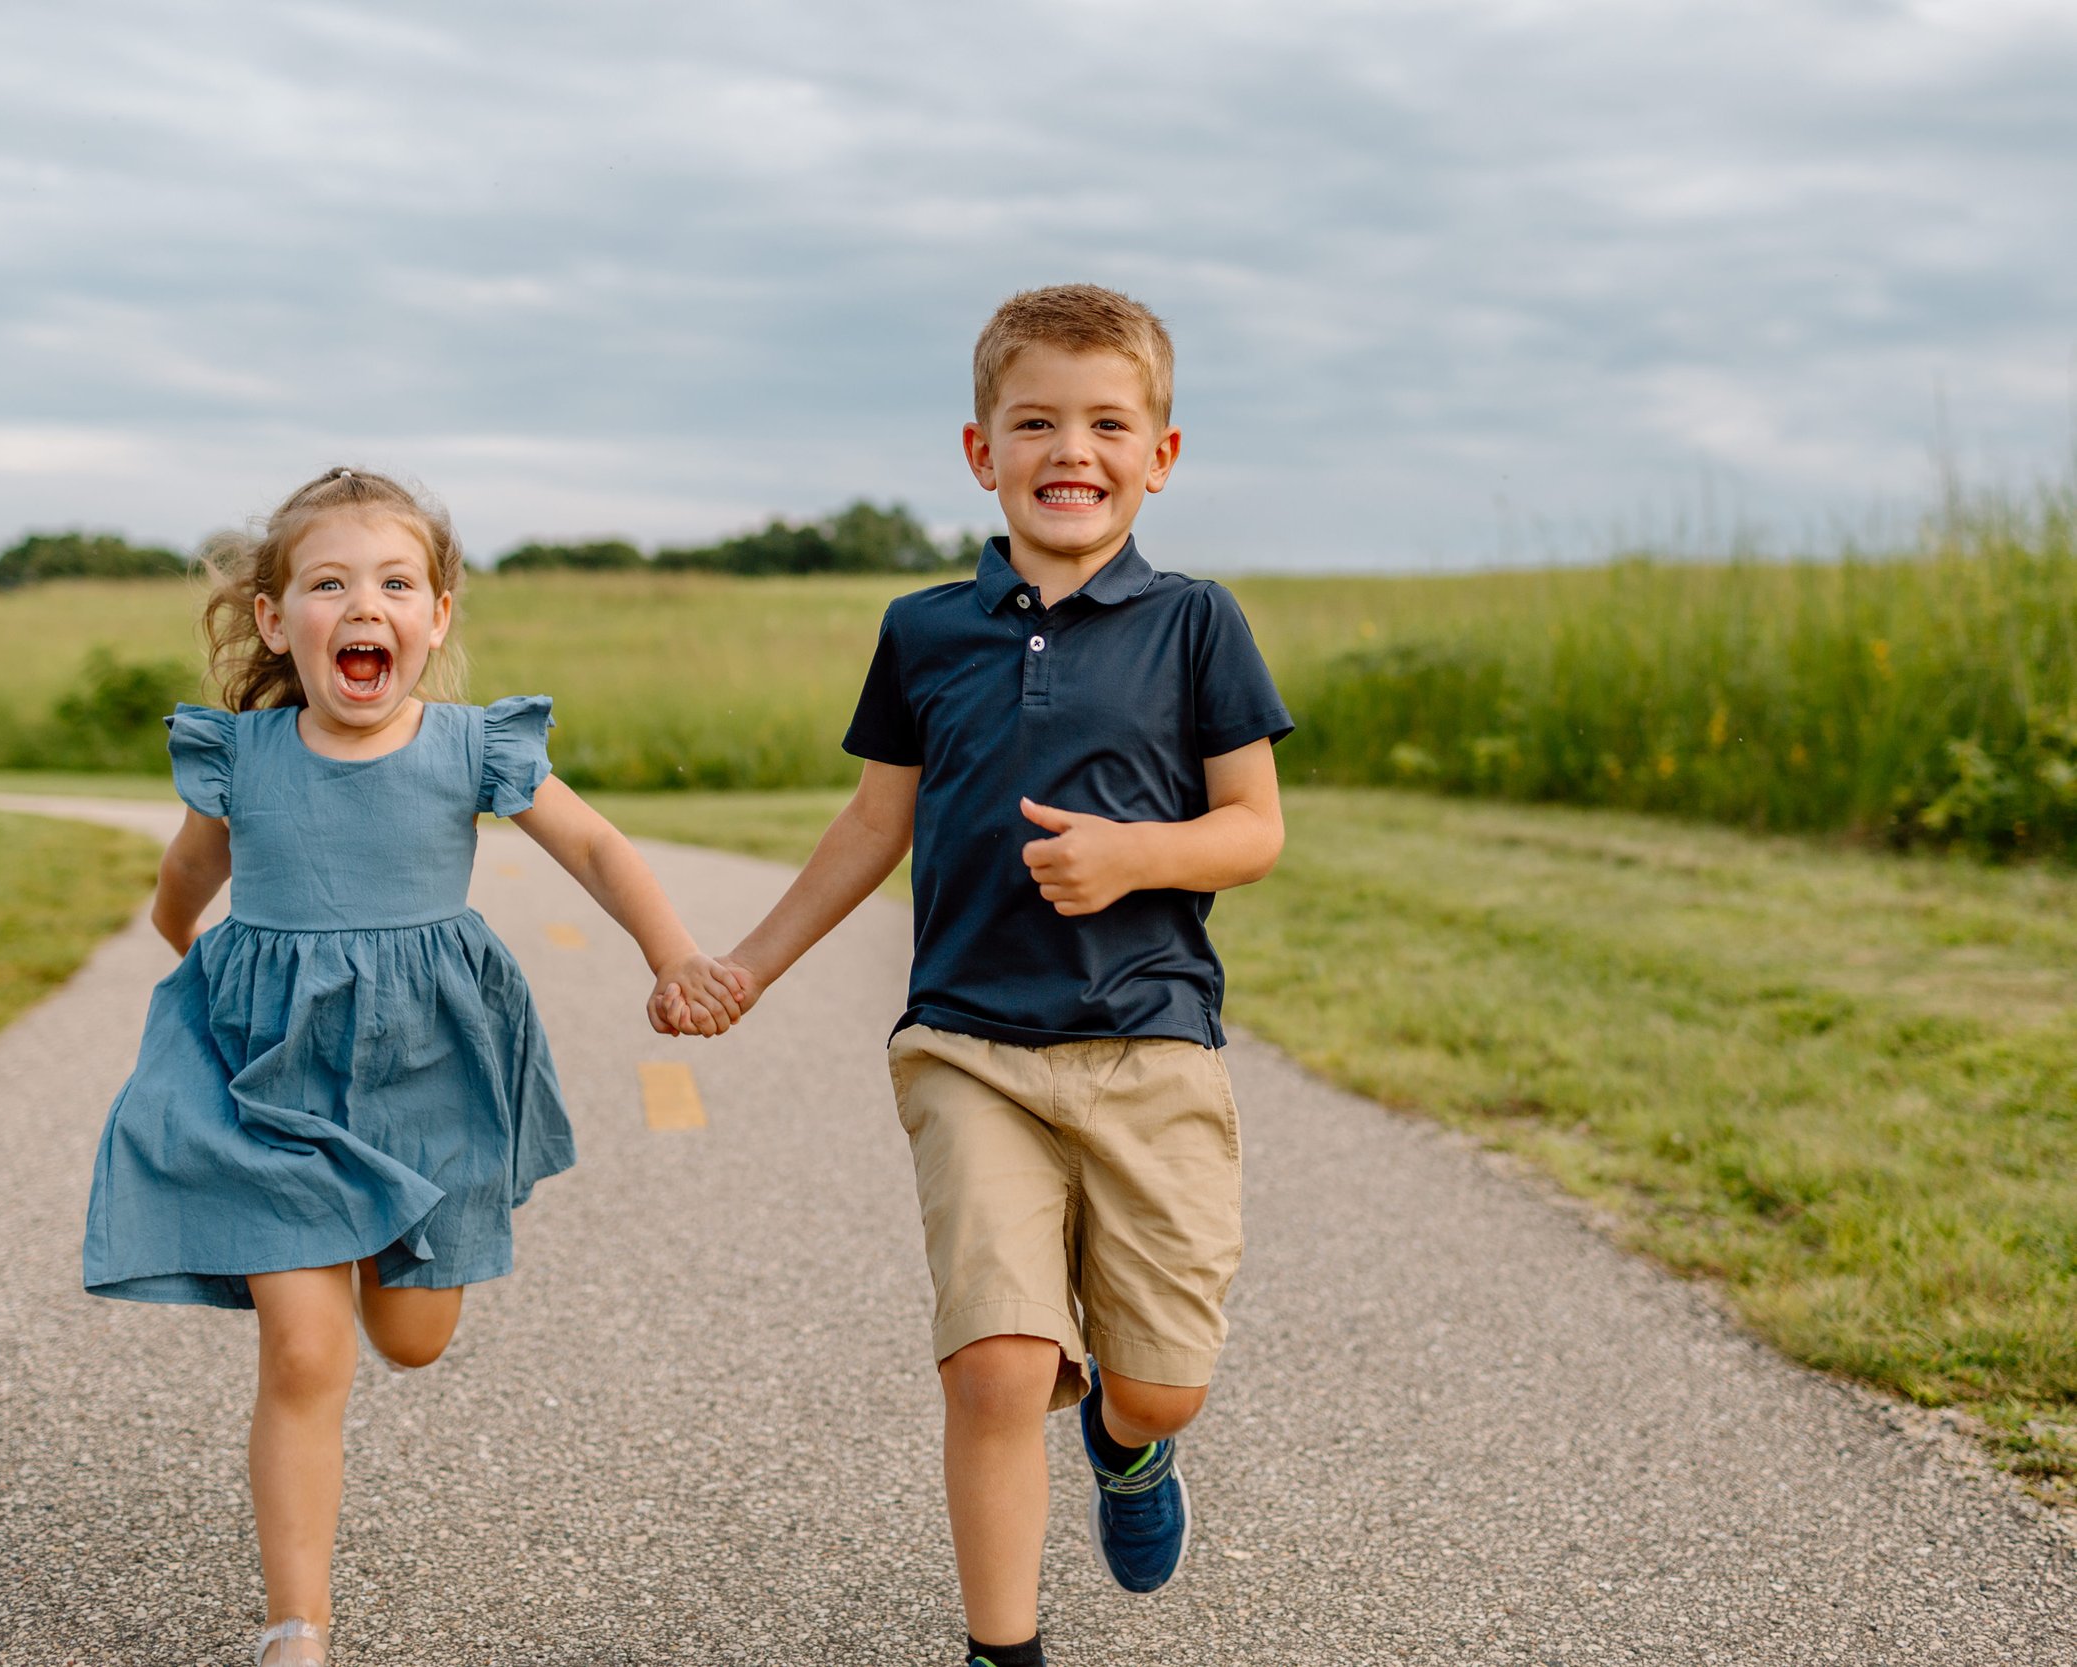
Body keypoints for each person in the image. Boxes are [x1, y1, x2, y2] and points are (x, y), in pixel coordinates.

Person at [79, 466, 745, 1667]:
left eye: (395, 581)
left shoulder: (469, 747)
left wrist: (673, 951)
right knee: (304, 1346)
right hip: (264, 1076)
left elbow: (592, 842)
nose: (363, 603)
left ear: (436, 616)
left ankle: (393, 1264)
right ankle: (297, 1624)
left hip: (427, 1067)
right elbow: (183, 886)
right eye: (328, 583)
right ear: (280, 621)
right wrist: (194, 961)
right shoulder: (243, 756)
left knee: (414, 1335)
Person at [718, 286, 1291, 1667]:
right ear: (981, 450)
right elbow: (875, 820)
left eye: (1106, 421)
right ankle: (1003, 1648)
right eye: (1035, 420)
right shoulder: (925, 631)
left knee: (1162, 1382)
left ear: (1160, 453)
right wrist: (747, 963)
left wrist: (1138, 856)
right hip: (970, 1044)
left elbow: (1254, 827)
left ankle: (1128, 1449)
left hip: (1151, 1043)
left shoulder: (1197, 623)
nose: (1069, 448)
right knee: (995, 1363)